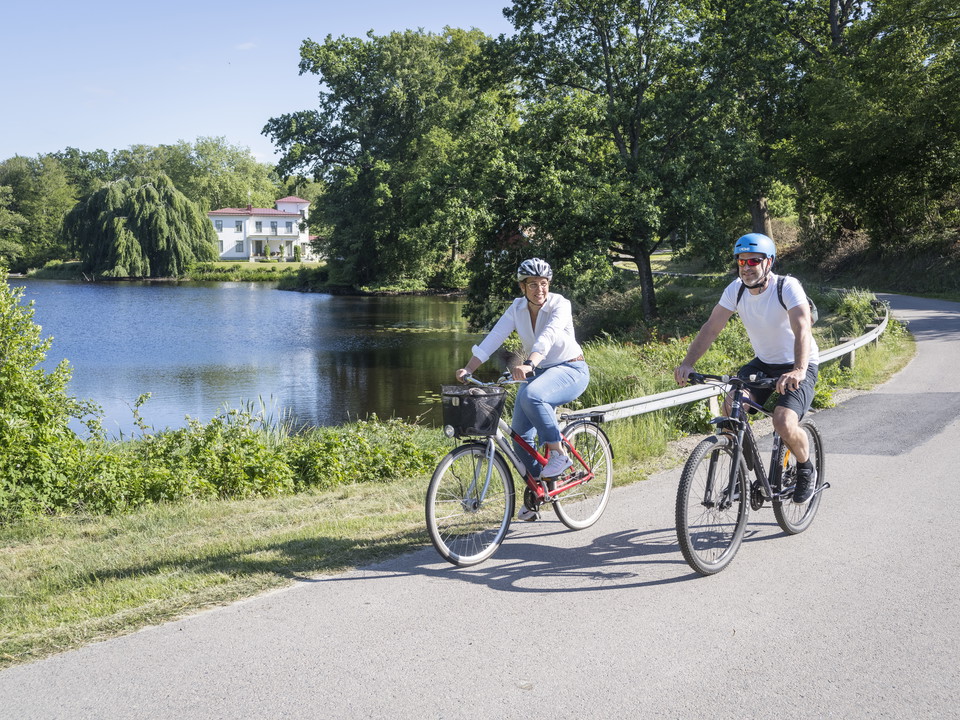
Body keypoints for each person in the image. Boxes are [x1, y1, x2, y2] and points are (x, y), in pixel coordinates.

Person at [673, 233, 820, 504]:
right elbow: (711, 328)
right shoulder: (736, 290)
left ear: (769, 262)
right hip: (764, 362)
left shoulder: (786, 287)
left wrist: (799, 369)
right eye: (741, 260)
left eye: (754, 260)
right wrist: (688, 363)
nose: (746, 266)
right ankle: (742, 469)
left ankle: (805, 468)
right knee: (732, 407)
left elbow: (802, 327)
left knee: (783, 421)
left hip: (799, 362)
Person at [456, 258, 589, 521]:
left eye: (543, 283)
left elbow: (548, 336)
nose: (539, 289)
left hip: (571, 369)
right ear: (522, 287)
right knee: (520, 439)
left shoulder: (560, 304)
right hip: (538, 373)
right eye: (533, 284)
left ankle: (559, 455)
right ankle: (538, 492)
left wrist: (529, 363)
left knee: (531, 394)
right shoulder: (517, 309)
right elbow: (494, 337)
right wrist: (469, 368)